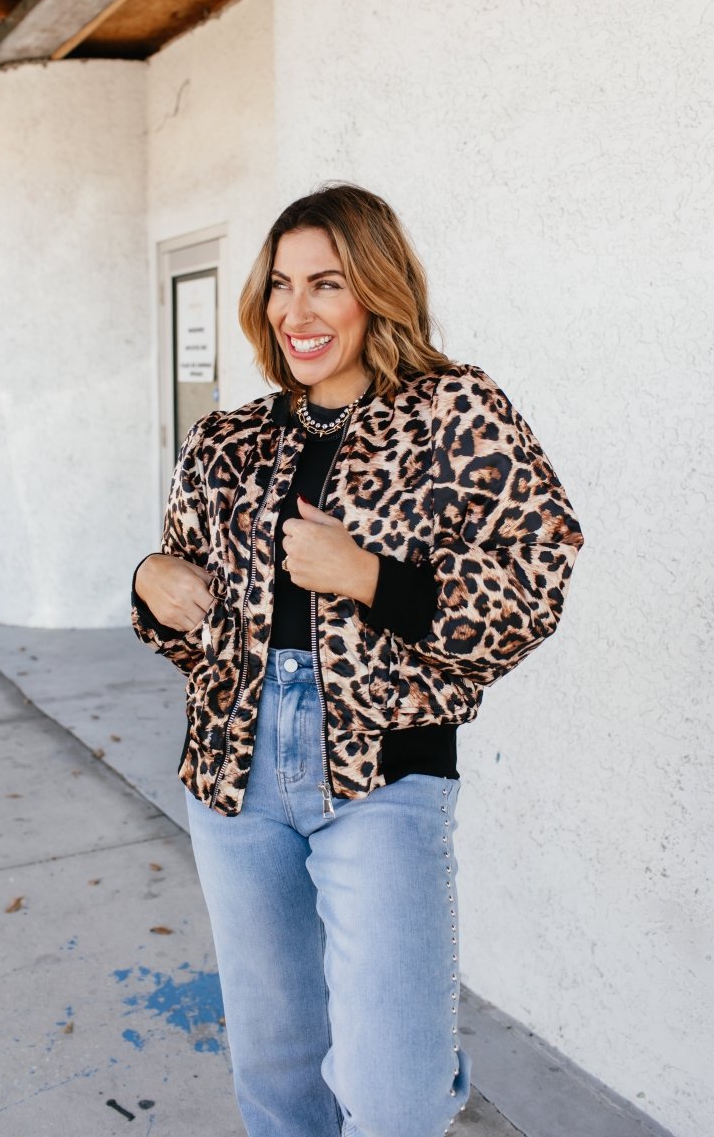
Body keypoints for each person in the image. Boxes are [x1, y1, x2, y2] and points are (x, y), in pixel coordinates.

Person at [130, 183, 584, 1137]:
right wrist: (149, 581)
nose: (297, 310)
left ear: (378, 289)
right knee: (278, 1072)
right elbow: (186, 619)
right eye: (281, 284)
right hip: (233, 775)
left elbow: (537, 577)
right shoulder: (228, 439)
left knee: (394, 1094)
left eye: (327, 283)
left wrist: (372, 578)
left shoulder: (454, 411)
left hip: (383, 772)